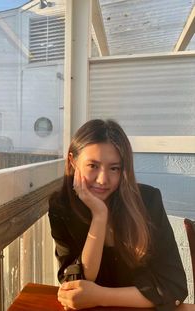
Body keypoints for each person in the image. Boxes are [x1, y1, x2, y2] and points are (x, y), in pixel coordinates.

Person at [48, 119, 188, 311]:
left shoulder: (148, 200)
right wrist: (99, 216)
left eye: (114, 168)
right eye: (93, 166)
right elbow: (76, 285)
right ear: (73, 161)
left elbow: (173, 286)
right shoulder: (61, 207)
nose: (103, 180)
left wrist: (101, 296)